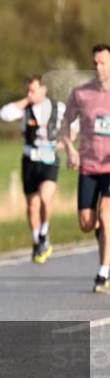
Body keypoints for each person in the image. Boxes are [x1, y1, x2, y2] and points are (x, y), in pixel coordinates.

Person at [0, 74, 71, 263]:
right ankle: (37, 241)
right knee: (32, 205)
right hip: (30, 159)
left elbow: (74, 124)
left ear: (44, 89)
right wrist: (26, 101)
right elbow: (4, 114)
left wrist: (66, 142)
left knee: (46, 197)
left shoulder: (57, 108)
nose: (31, 93)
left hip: (49, 158)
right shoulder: (25, 109)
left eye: (34, 90)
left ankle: (44, 233)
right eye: (28, 90)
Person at [60, 44, 110, 294]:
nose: (98, 67)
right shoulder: (81, 94)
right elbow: (65, 125)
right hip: (89, 167)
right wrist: (70, 149)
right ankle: (106, 240)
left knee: (105, 214)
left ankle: (103, 273)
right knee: (87, 223)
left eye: (103, 62)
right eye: (95, 63)